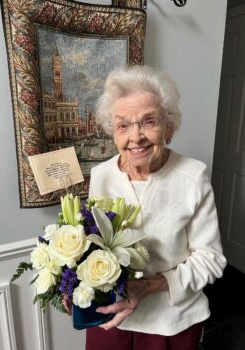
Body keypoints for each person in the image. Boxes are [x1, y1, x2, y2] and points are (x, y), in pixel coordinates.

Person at [86, 65, 227, 350]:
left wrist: (147, 287)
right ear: (112, 132)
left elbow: (211, 259)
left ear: (169, 127)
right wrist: (73, 285)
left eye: (148, 121)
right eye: (123, 125)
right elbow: (92, 245)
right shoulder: (101, 175)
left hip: (171, 324)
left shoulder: (193, 177)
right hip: (111, 320)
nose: (135, 137)